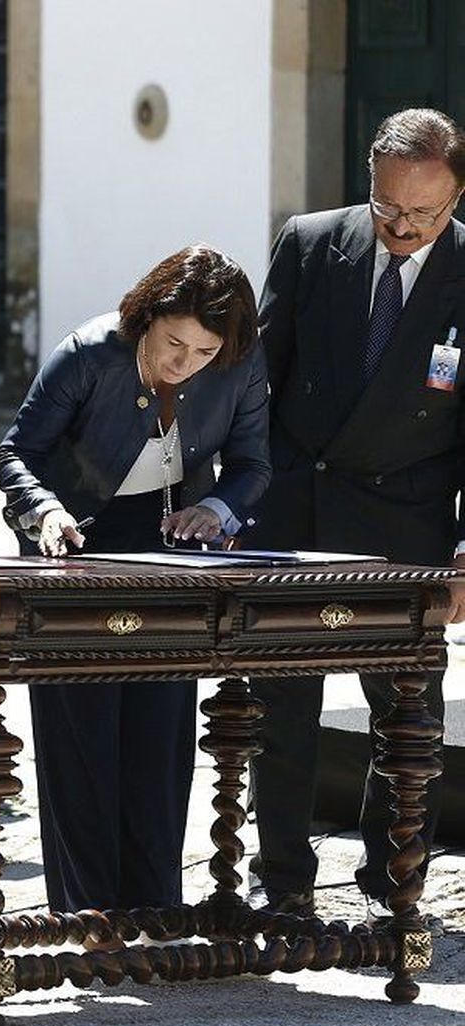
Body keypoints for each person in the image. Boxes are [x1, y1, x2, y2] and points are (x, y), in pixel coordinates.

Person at [0, 245, 269, 934]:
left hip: (174, 547)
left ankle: (156, 911)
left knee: (161, 732)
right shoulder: (89, 352)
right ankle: (84, 918)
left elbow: (253, 464)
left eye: (202, 352)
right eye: (173, 342)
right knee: (83, 735)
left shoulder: (238, 361)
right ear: (147, 315)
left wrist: (220, 511)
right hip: (79, 541)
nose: (185, 363)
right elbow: (16, 453)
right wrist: (44, 511)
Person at [247, 107, 465, 922]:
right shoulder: (310, 242)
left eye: (425, 214)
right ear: (369, 176)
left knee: (405, 714)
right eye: (388, 209)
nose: (403, 228)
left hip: (404, 524)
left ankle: (392, 874)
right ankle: (284, 882)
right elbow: (258, 384)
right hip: (296, 514)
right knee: (283, 711)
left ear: (457, 197)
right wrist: (235, 502)